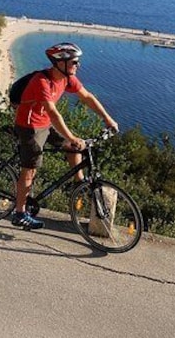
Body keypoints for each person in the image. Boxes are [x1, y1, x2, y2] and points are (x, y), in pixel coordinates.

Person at [11, 42, 119, 230]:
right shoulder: (41, 81)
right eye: (74, 62)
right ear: (60, 63)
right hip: (29, 126)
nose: (78, 65)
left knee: (73, 147)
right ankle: (19, 213)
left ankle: (79, 183)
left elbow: (87, 97)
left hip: (45, 124)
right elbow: (53, 113)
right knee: (30, 170)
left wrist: (108, 119)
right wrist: (70, 136)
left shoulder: (67, 79)